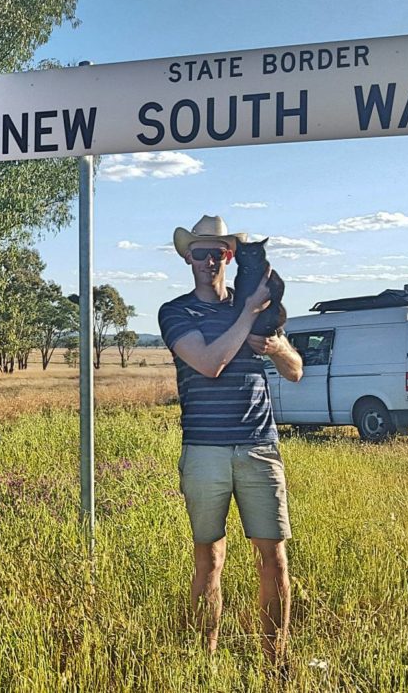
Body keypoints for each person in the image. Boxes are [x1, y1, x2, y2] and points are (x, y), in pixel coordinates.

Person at [158, 215, 303, 664]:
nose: (206, 261)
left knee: (274, 560)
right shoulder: (177, 311)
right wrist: (248, 315)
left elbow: (295, 370)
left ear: (229, 255)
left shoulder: (258, 306)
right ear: (187, 258)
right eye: (197, 253)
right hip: (204, 450)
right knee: (209, 559)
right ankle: (206, 661)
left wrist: (276, 345)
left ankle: (274, 660)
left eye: (215, 252)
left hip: (260, 446)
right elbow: (207, 363)